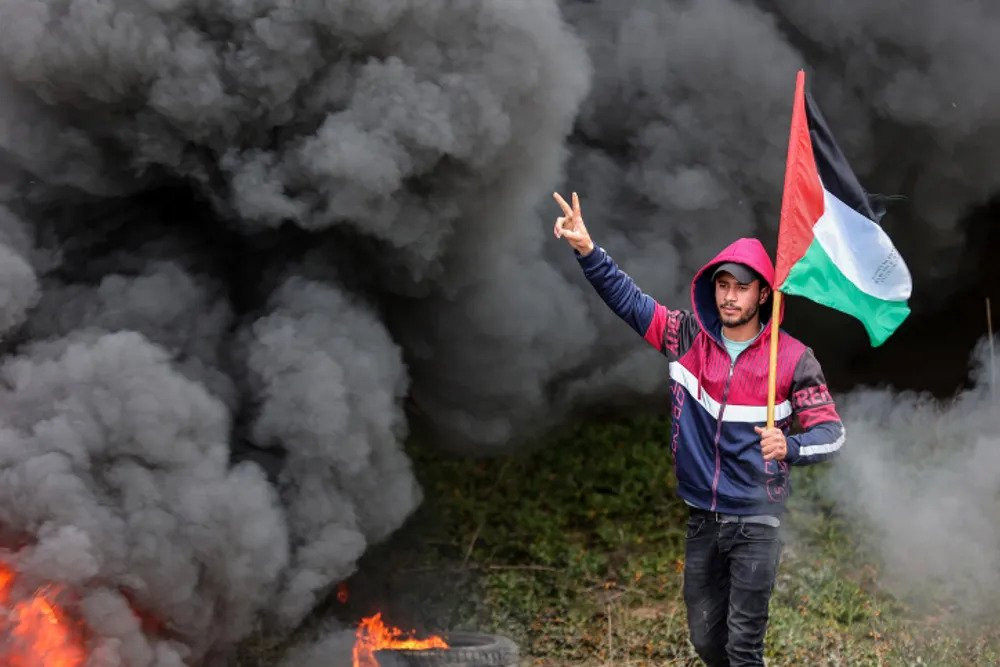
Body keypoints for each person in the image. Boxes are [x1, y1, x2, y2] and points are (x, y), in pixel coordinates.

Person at [551, 191, 844, 666]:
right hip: (702, 518)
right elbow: (628, 301)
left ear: (763, 293)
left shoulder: (790, 358)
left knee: (743, 647)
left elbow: (832, 433)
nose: (729, 296)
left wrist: (788, 445)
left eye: (742, 287)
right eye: (723, 285)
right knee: (708, 642)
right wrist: (587, 249)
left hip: (757, 521)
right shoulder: (684, 337)